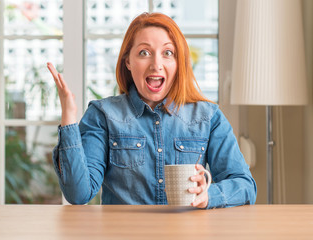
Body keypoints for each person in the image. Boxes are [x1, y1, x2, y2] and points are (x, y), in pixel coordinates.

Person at [47, 12, 256, 209]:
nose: (156, 64)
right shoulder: (102, 115)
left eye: (168, 53)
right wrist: (68, 117)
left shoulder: (208, 117)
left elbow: (245, 185)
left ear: (178, 62)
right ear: (128, 61)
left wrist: (209, 195)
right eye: (144, 52)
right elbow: (78, 194)